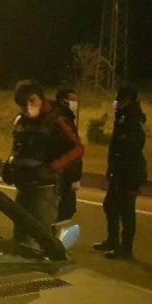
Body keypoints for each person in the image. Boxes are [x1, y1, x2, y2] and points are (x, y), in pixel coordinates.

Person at [2, 80, 84, 246]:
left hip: (45, 186)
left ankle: (46, 260)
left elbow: (78, 149)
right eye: (23, 103)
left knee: (42, 233)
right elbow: (17, 147)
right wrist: (9, 165)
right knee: (20, 232)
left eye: (32, 100)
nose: (28, 107)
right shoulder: (20, 120)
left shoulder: (56, 120)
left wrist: (52, 167)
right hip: (23, 183)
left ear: (41, 98)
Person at [93, 86, 147, 259]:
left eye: (118, 99)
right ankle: (112, 240)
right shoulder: (123, 118)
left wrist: (132, 182)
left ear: (127, 100)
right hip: (119, 171)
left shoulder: (132, 120)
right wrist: (110, 171)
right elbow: (116, 149)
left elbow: (131, 153)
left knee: (126, 210)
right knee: (110, 205)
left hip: (128, 173)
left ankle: (125, 248)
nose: (115, 103)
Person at [53, 89, 83, 221]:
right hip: (63, 175)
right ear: (62, 101)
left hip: (62, 173)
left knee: (63, 210)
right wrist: (74, 177)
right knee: (63, 211)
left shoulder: (64, 119)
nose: (75, 103)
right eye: (72, 100)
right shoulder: (62, 121)